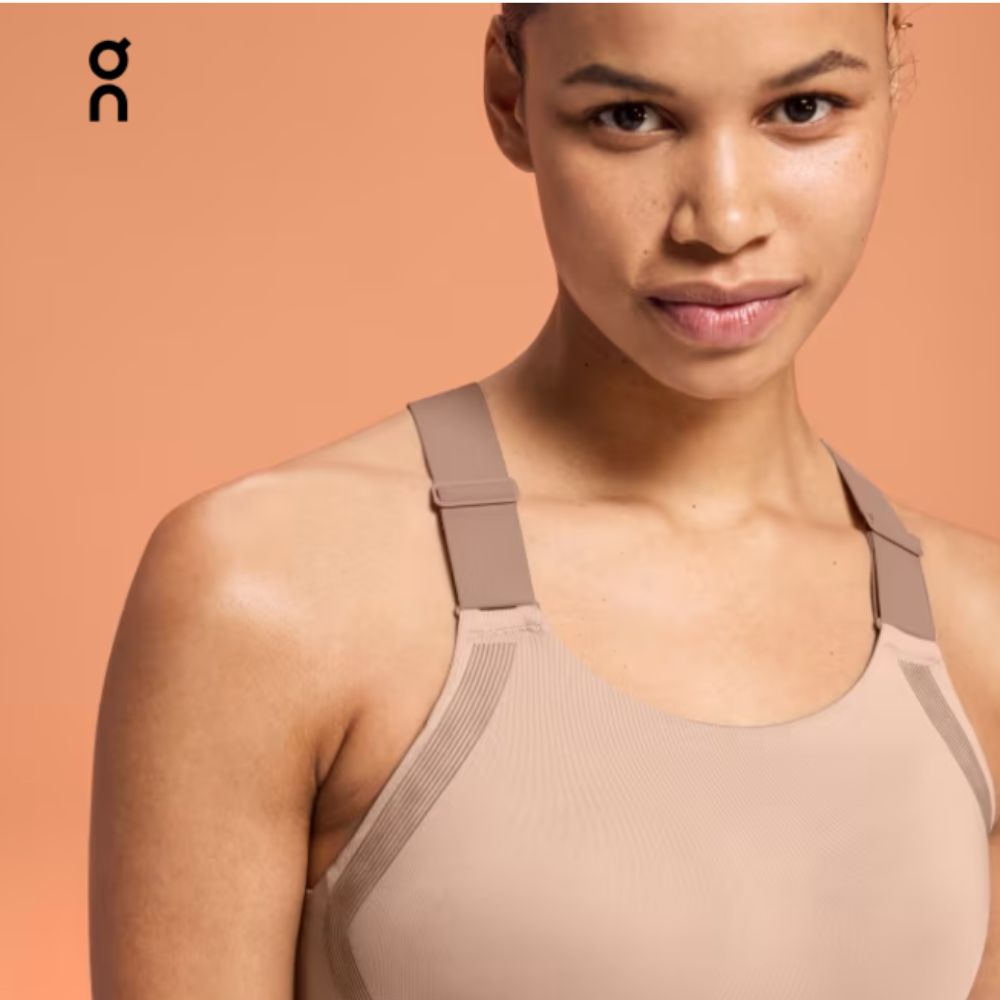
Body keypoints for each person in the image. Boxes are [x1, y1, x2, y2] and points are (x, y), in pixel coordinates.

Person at [89, 4, 1000, 998]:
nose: (723, 221)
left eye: (803, 107)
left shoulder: (981, 632)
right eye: (629, 118)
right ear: (508, 97)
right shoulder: (270, 591)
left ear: (895, 72)